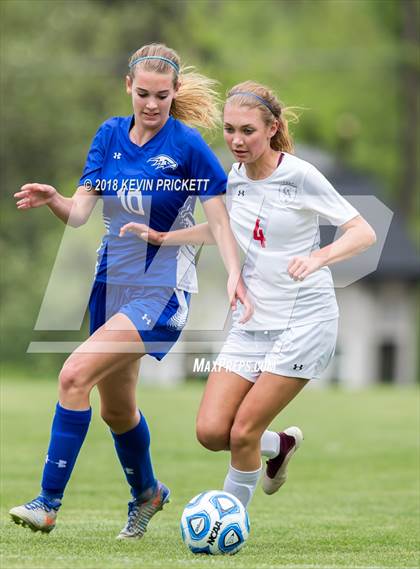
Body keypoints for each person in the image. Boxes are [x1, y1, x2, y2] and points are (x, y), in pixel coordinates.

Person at [10, 44, 251, 538]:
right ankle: (148, 493)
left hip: (160, 293)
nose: (151, 104)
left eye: (162, 95)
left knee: (73, 374)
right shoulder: (109, 135)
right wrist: (56, 198)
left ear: (175, 92)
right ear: (128, 88)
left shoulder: (187, 147)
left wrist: (233, 274)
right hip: (109, 287)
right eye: (143, 93)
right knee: (116, 409)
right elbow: (80, 215)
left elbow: (222, 225)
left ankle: (47, 503)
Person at [126, 80, 377, 510]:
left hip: (304, 321)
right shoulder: (235, 176)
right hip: (253, 319)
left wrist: (318, 259)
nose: (237, 141)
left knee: (242, 432)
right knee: (210, 431)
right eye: (229, 130)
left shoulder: (299, 175)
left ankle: (230, 521)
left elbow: (364, 232)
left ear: (272, 128)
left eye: (248, 131)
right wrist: (163, 236)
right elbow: (224, 228)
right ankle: (277, 446)